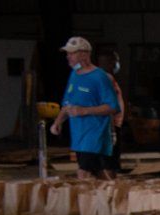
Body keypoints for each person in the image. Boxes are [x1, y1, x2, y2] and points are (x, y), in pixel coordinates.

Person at [50, 36, 119, 180]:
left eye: (72, 53)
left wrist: (84, 110)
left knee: (83, 173)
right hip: (79, 137)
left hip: (94, 134)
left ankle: (85, 194)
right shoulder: (74, 75)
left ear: (84, 54)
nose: (68, 56)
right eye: (67, 53)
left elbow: (112, 106)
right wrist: (58, 122)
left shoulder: (100, 77)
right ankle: (113, 192)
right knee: (99, 173)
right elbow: (68, 103)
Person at [94, 48, 126, 175]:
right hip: (109, 123)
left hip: (113, 123)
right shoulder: (105, 78)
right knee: (110, 159)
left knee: (111, 157)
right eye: (115, 61)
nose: (116, 64)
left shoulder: (107, 78)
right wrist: (111, 129)